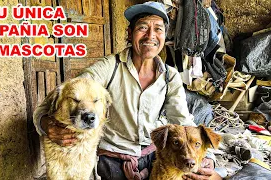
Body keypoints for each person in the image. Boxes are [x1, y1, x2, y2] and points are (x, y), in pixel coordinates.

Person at [34, 1, 222, 180]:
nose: (151, 36)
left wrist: (208, 159)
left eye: (158, 29)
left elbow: (183, 120)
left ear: (165, 36)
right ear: (130, 33)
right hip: (112, 161)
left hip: (153, 158)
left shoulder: (170, 76)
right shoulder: (109, 67)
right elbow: (69, 92)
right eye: (142, 28)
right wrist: (44, 123)